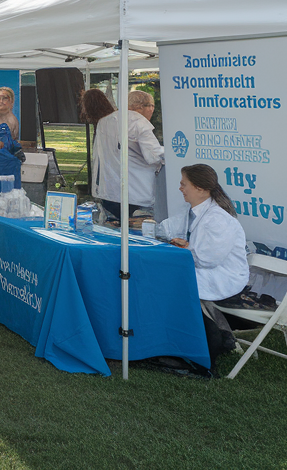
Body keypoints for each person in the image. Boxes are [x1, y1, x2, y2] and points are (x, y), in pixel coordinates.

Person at [156, 163, 250, 366]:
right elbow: (168, 228)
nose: (180, 188)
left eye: (184, 184)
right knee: (167, 278)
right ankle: (177, 343)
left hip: (222, 276)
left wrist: (186, 248)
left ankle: (190, 346)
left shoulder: (218, 219)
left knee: (170, 284)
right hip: (206, 270)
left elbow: (207, 259)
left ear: (200, 188)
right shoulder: (195, 210)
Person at [90, 89, 165, 221]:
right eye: (151, 106)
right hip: (136, 194)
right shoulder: (138, 122)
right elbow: (154, 156)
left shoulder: (104, 122)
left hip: (108, 192)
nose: (152, 110)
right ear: (140, 107)